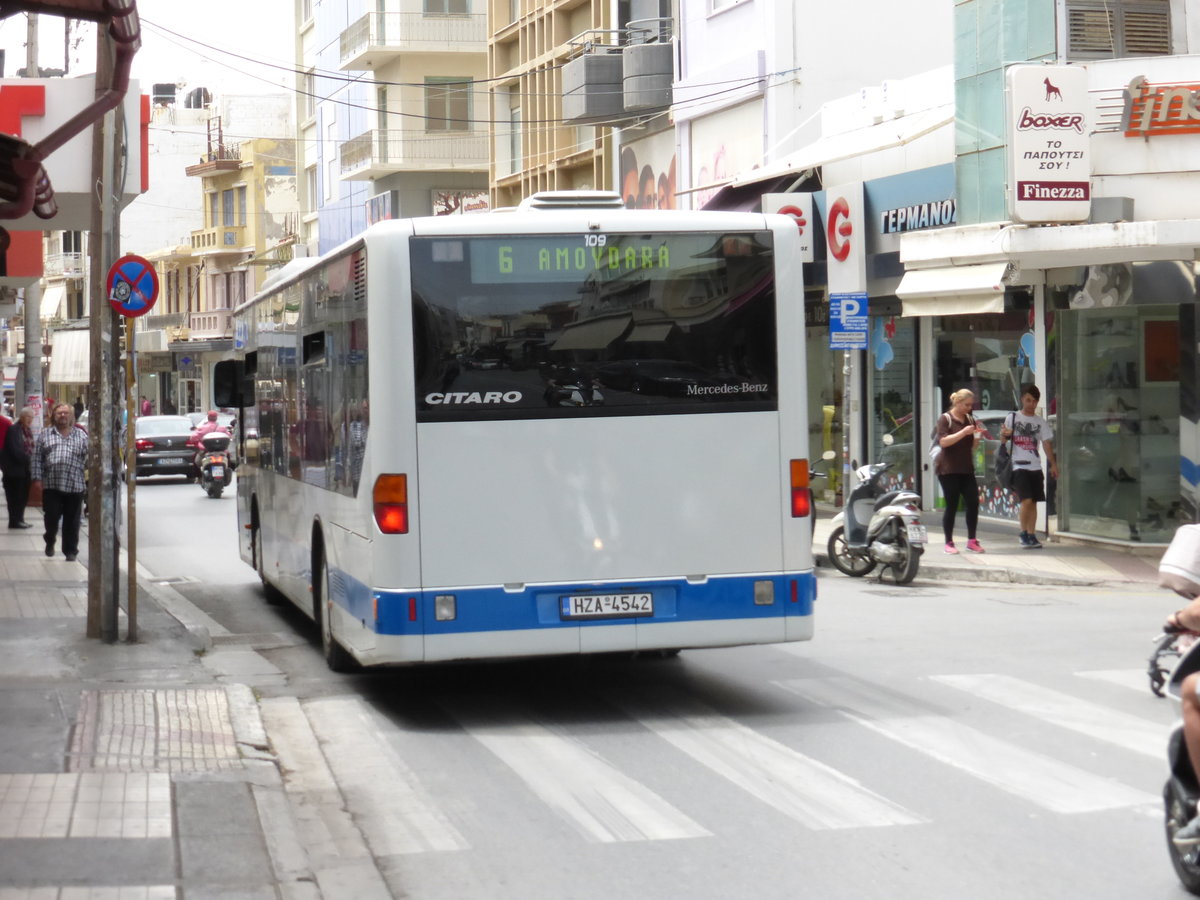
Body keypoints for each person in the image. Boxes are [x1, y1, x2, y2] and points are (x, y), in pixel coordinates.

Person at [1000, 383, 1058, 549]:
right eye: (1028, 400)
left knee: (1034, 502)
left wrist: (1053, 464)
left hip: (1035, 466)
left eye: (1034, 401)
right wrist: (1004, 436)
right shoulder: (1013, 418)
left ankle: (1032, 534)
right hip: (1018, 465)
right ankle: (1023, 532)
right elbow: (1004, 440)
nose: (1031, 404)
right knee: (1026, 500)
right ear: (1022, 400)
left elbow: (1046, 444)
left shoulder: (1040, 422)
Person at [31, 402, 88, 561]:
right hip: (52, 485)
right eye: (59, 413)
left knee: (72, 521)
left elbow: (88, 457)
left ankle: (70, 551)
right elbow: (37, 458)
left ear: (71, 416)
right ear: (54, 416)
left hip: (75, 485)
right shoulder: (46, 434)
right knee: (51, 518)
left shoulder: (81, 435)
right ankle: (50, 540)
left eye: (66, 413)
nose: (62, 416)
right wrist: (37, 479)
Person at [934, 388, 984, 554]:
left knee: (973, 502)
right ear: (957, 402)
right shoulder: (945, 418)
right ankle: (949, 542)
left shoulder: (970, 419)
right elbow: (943, 442)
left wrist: (977, 438)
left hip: (966, 468)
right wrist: (963, 432)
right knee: (952, 504)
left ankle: (972, 540)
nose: (969, 408)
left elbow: (972, 446)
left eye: (971, 405)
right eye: (966, 404)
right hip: (948, 469)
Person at [1, 406, 34, 529]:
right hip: (14, 472)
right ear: (21, 417)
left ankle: (20, 519)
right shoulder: (14, 430)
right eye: (27, 417)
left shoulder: (27, 430)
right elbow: (15, 451)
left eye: (32, 417)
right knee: (15, 497)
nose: (30, 420)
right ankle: (15, 521)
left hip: (24, 471)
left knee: (23, 497)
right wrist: (30, 459)